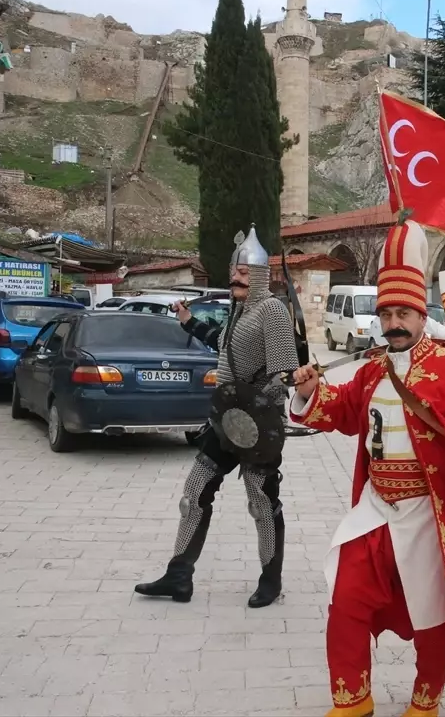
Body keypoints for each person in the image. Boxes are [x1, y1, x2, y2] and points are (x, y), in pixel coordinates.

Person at [290, 220, 445, 717]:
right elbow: (344, 409)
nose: (393, 322)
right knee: (346, 600)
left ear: (421, 315)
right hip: (374, 509)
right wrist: (308, 393)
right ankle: (352, 700)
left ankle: (425, 701)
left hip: (429, 514)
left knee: (432, 615)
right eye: (386, 312)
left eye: (403, 313)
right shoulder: (371, 367)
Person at [134, 227, 299, 608]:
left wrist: (259, 411)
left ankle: (270, 581)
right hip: (225, 420)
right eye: (233, 270)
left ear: (259, 276)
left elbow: (283, 374)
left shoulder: (272, 310)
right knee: (194, 493)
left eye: (243, 272)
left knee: (261, 501)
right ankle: (179, 577)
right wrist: (189, 321)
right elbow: (224, 347)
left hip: (258, 426)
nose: (235, 277)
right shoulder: (239, 309)